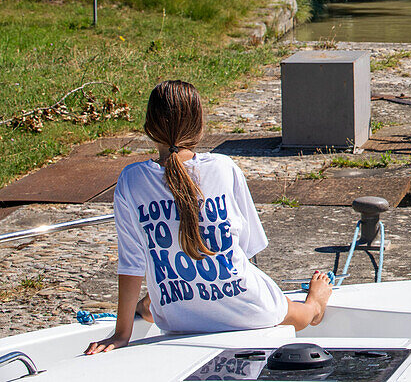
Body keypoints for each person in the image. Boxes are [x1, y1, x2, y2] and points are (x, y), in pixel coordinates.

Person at [85, 80, 332, 354]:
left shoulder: (131, 181)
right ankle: (316, 304)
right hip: (247, 310)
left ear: (148, 129)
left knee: (157, 300)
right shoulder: (223, 168)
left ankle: (149, 304)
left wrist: (121, 334)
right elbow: (246, 249)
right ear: (200, 127)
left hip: (176, 315)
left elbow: (131, 263)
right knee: (304, 314)